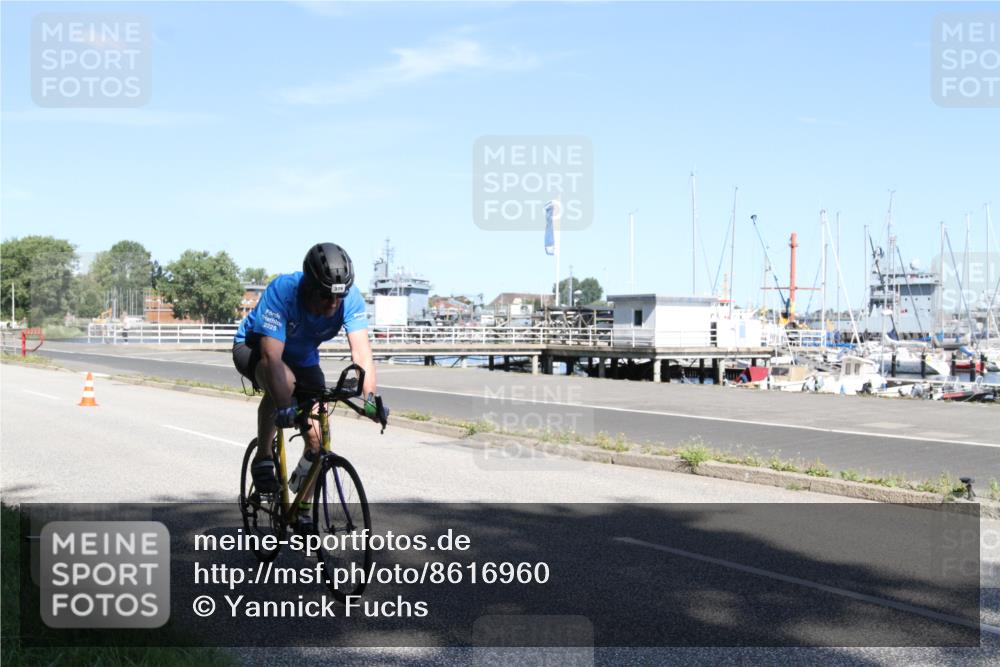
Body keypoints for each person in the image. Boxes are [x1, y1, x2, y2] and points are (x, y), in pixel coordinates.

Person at [232, 242, 380, 503]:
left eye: (339, 296)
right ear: (309, 287)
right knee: (284, 386)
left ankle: (301, 507)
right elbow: (271, 357)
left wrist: (370, 401)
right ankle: (264, 458)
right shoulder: (284, 291)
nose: (334, 303)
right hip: (255, 348)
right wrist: (284, 406)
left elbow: (362, 354)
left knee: (318, 439)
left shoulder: (350, 298)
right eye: (326, 296)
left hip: (302, 357)